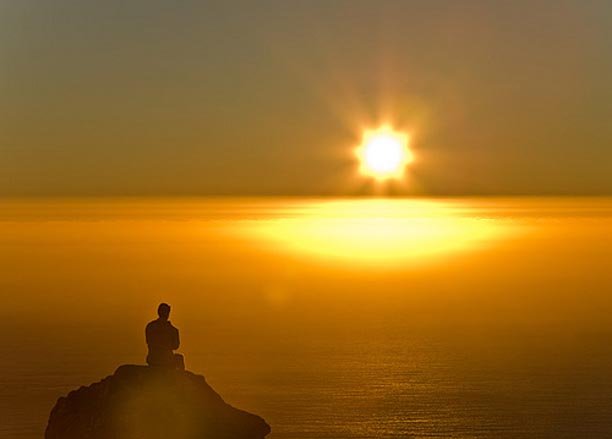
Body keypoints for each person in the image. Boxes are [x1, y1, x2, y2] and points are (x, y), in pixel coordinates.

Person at [145, 303, 185, 370]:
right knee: (180, 358)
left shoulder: (150, 326)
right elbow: (176, 346)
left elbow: (148, 341)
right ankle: (180, 378)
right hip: (167, 360)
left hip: (152, 359)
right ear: (168, 313)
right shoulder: (172, 330)